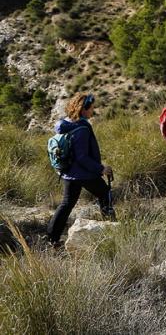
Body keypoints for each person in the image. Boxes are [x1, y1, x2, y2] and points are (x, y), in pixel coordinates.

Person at [47, 93, 115, 246]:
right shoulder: (82, 128)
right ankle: (112, 230)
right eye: (91, 108)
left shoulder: (66, 123)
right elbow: (82, 157)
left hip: (68, 172)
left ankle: (52, 239)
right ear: (83, 109)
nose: (93, 111)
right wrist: (101, 169)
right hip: (83, 173)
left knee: (66, 204)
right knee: (104, 193)